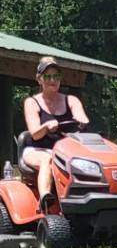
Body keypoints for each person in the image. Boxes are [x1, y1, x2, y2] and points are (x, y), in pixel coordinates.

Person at [21, 56, 88, 213]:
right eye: (48, 76)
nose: (52, 80)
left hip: (65, 152)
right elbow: (35, 134)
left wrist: (80, 121)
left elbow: (82, 119)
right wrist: (46, 127)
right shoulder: (31, 102)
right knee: (48, 159)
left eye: (56, 76)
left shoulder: (71, 100)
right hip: (37, 150)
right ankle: (46, 199)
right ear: (39, 79)